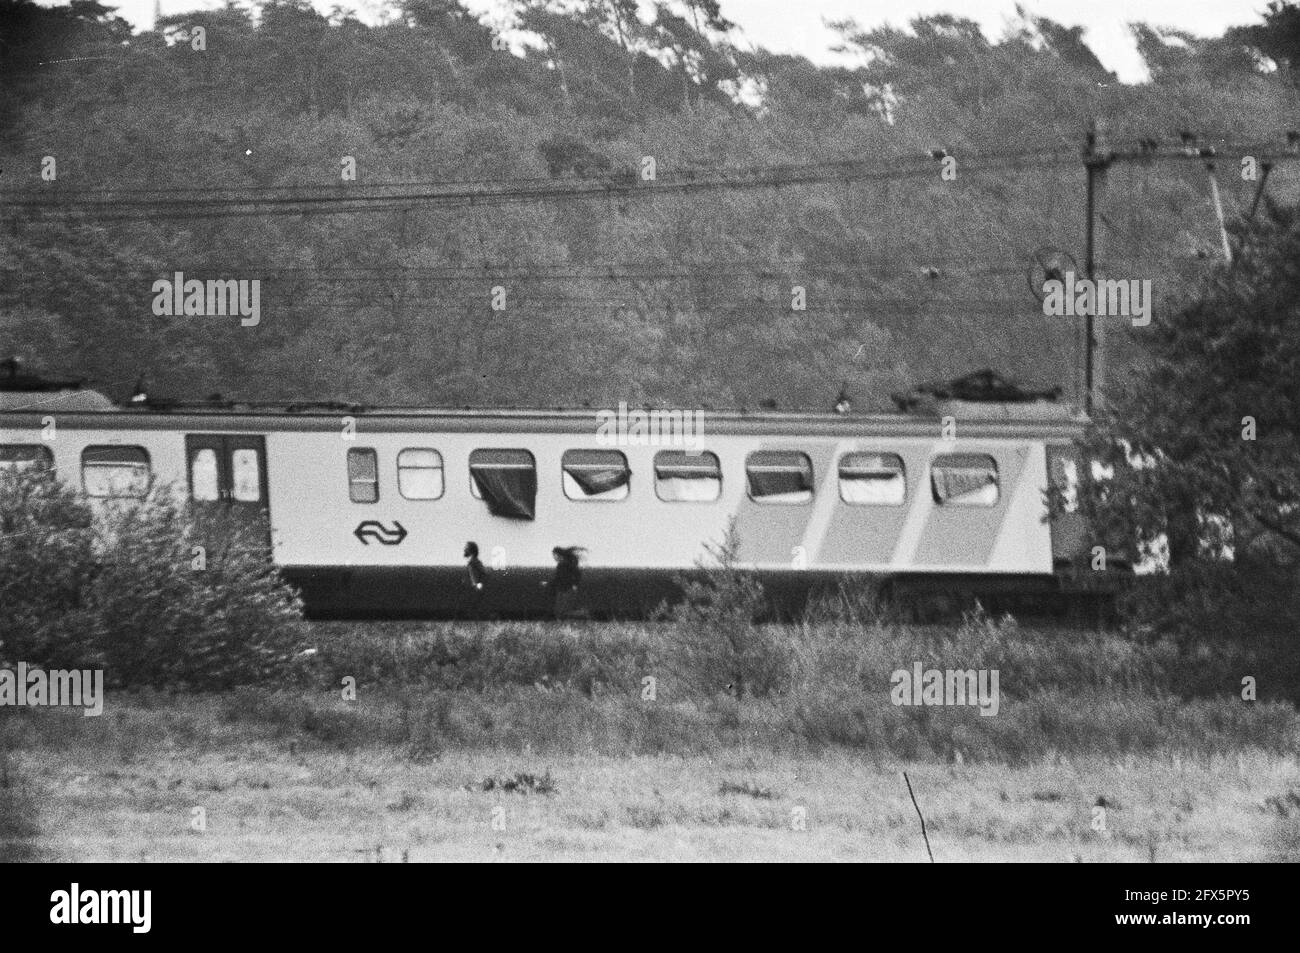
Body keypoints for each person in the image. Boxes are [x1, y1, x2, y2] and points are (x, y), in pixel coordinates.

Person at [544, 546, 586, 618]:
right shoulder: (562, 565)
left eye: (554, 555)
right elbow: (558, 578)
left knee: (562, 612)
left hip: (566, 590)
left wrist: (575, 584)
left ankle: (583, 614)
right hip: (562, 589)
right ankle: (581, 614)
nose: (554, 558)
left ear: (558, 555)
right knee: (559, 612)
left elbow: (576, 574)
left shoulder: (565, 564)